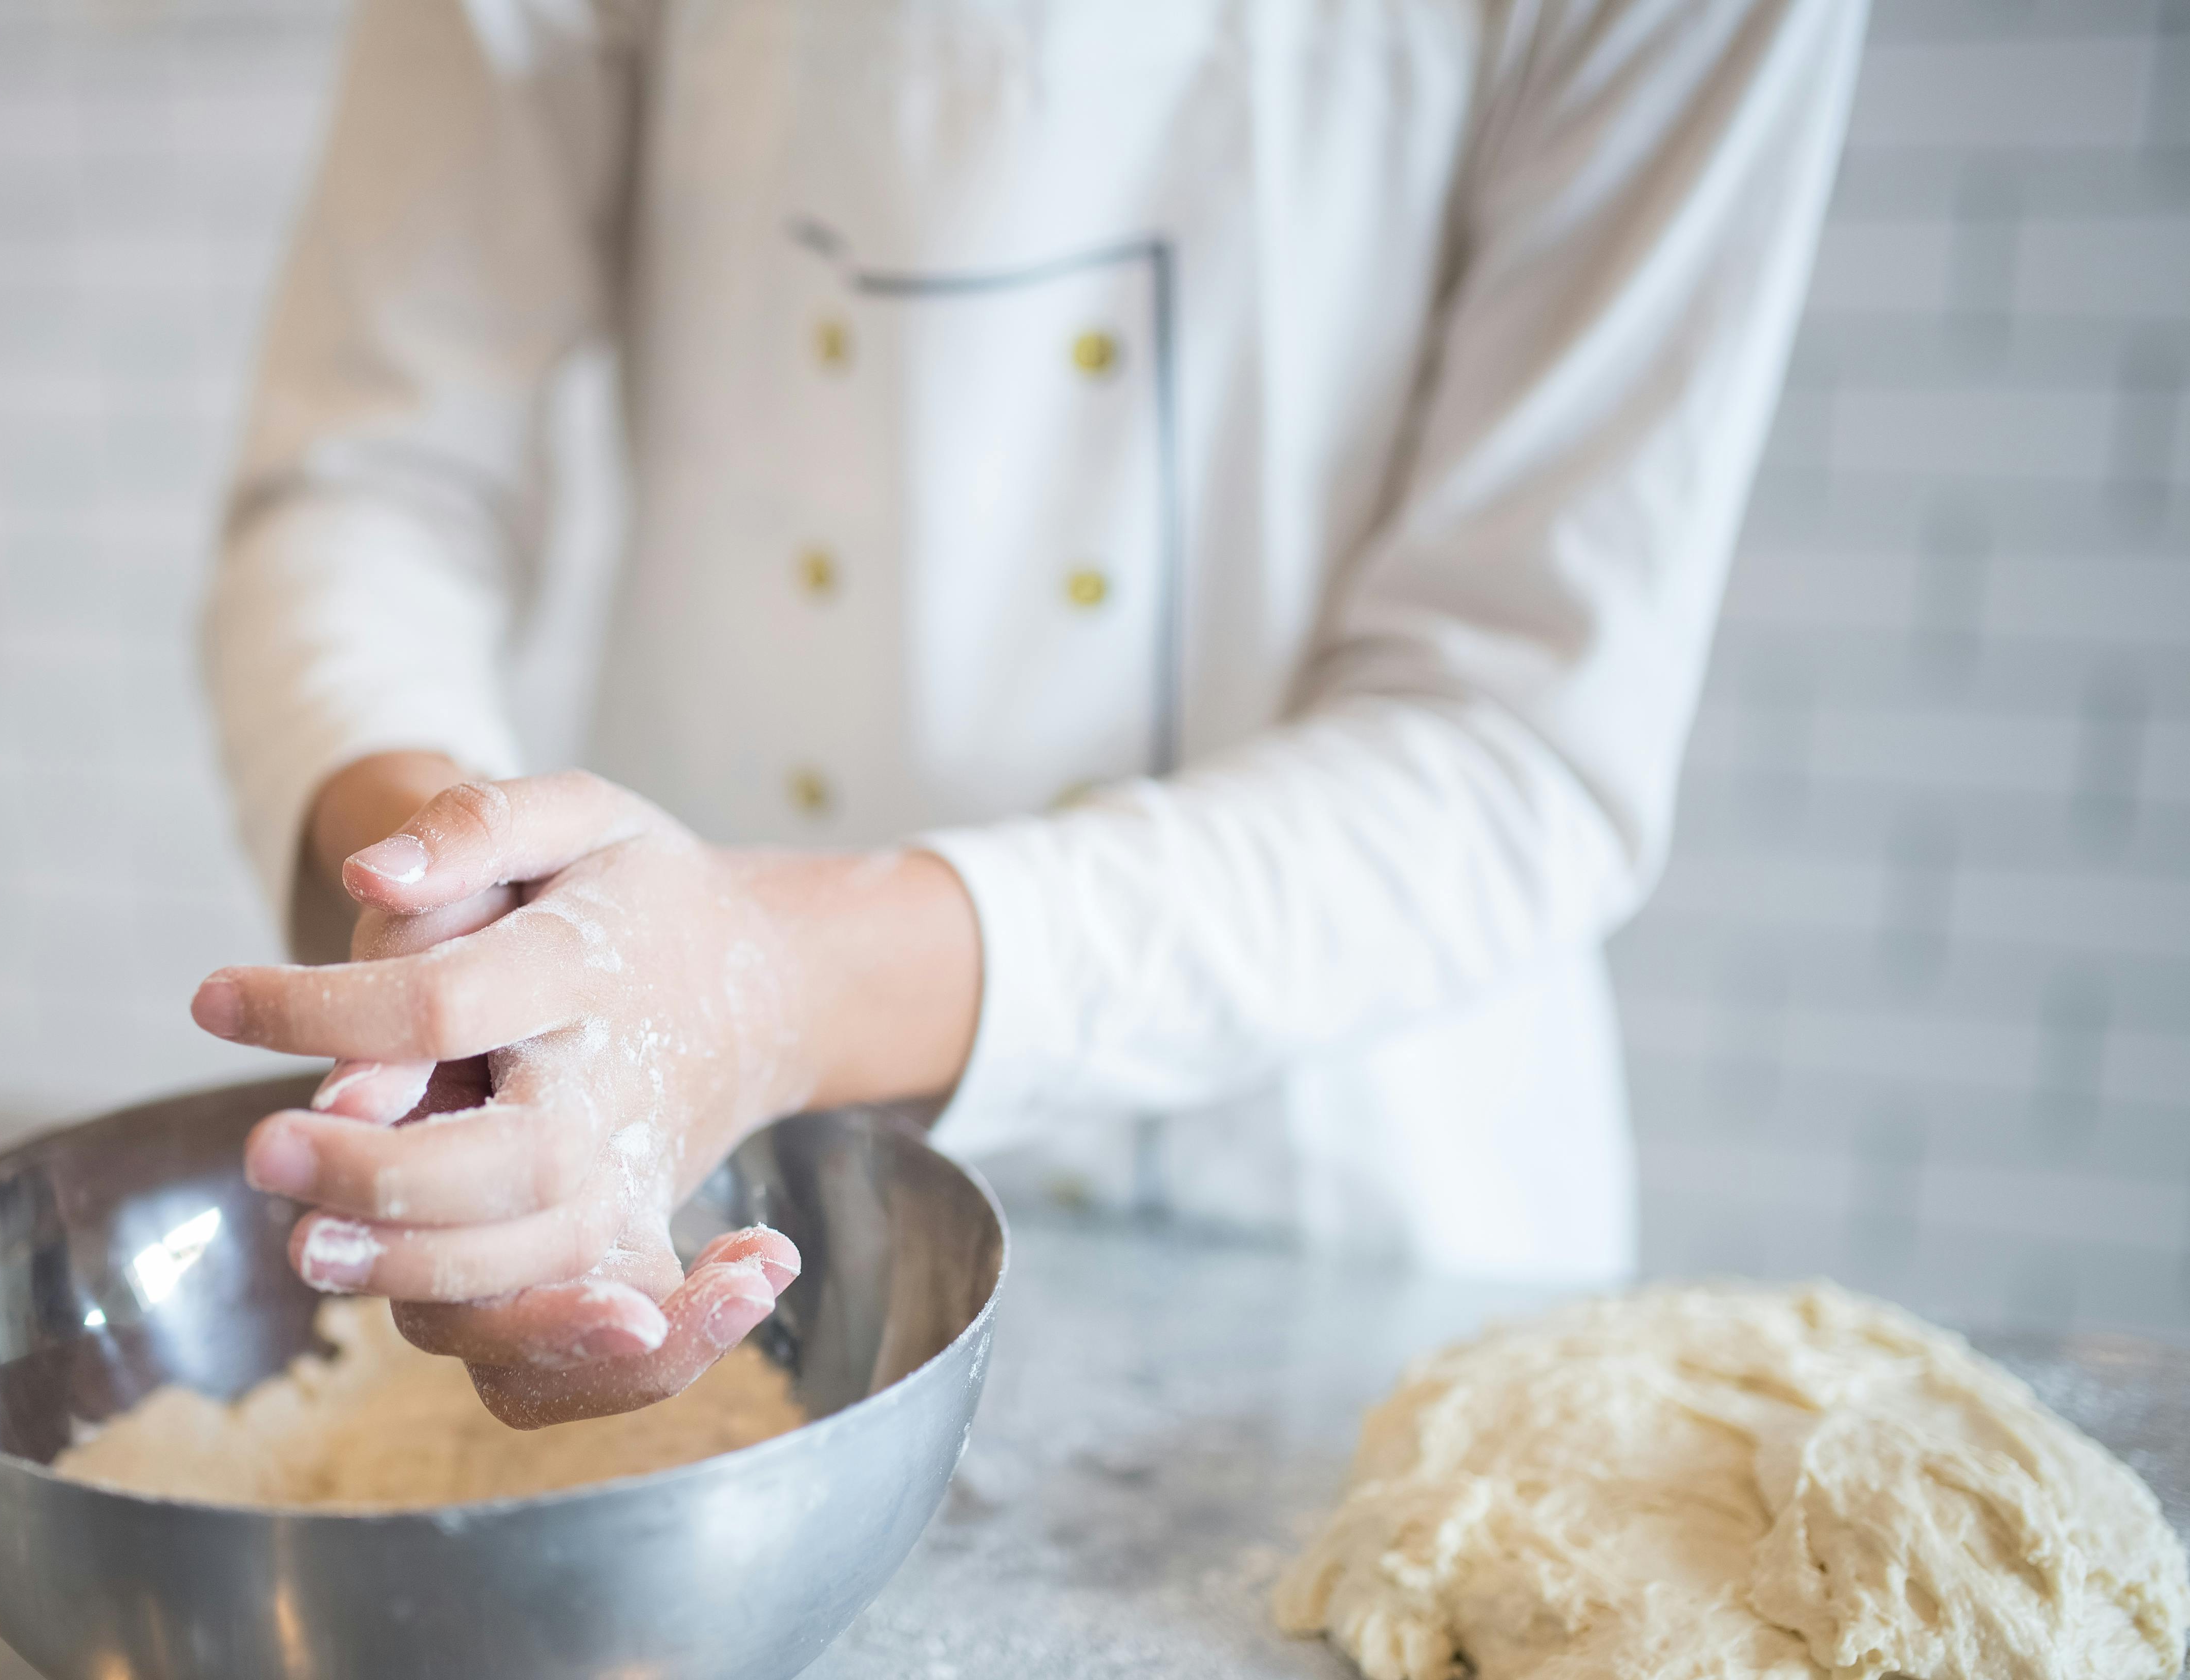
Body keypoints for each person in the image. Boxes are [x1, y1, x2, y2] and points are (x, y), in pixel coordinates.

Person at [187, 0, 1865, 1427]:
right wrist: (455, 941)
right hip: (696, 1170)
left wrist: (780, 980)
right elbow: (372, 485)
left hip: (1346, 1219)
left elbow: (1517, 738)